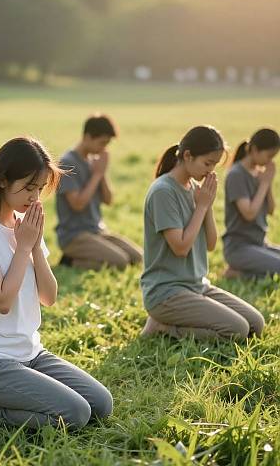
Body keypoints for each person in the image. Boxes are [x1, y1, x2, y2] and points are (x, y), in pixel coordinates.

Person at [0, 137, 113, 428]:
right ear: (2, 181)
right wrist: (23, 247)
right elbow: (1, 301)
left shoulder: (24, 224)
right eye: (28, 187)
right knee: (76, 414)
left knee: (101, 404)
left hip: (30, 353)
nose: (34, 197)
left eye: (39, 189)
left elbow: (48, 297)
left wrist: (34, 246)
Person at [140, 125, 264, 340]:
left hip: (197, 285)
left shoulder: (195, 189)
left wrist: (205, 206)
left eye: (214, 165)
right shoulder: (163, 191)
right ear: (187, 156)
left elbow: (211, 243)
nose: (210, 171)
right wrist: (202, 207)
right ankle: (162, 327)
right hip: (166, 293)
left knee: (256, 323)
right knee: (238, 330)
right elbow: (180, 248)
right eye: (207, 163)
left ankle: (170, 322)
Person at [56, 114, 142, 270]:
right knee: (121, 262)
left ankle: (83, 257)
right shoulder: (67, 163)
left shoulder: (93, 162)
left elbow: (108, 200)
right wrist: (96, 175)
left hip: (97, 231)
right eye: (102, 142)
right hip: (74, 236)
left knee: (137, 258)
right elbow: (77, 205)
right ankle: (70, 261)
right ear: (87, 137)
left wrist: (101, 173)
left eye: (107, 143)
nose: (104, 148)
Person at [223, 128, 280, 278]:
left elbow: (271, 210)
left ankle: (244, 270)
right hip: (239, 247)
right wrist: (264, 183)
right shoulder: (236, 175)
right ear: (254, 150)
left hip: (260, 243)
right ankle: (236, 273)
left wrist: (267, 183)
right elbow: (249, 214)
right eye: (269, 156)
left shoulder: (259, 174)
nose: (270, 161)